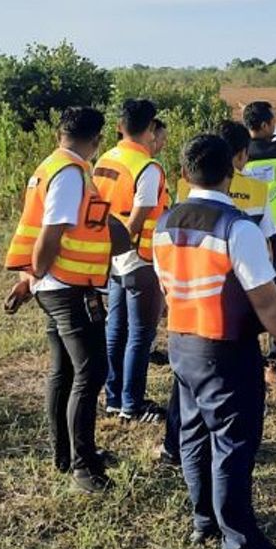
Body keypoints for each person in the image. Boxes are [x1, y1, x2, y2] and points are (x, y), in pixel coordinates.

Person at [153, 133, 276, 549]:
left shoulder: (165, 223)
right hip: (226, 347)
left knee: (193, 434)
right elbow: (266, 298)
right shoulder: (237, 228)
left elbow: (164, 286)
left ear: (184, 174)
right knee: (234, 443)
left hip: (182, 342)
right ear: (231, 172)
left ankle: (205, 522)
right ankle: (239, 541)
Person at [3, 106, 114, 493]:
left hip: (55, 284)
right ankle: (84, 468)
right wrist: (35, 275)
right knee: (91, 371)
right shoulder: (70, 173)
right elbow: (49, 233)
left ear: (59, 133)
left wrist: (29, 281)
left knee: (64, 371)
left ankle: (65, 453)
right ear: (97, 139)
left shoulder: (50, 166)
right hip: (67, 286)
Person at [161, 120, 276, 466]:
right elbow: (268, 248)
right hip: (235, 309)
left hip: (186, 313)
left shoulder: (185, 194)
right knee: (233, 412)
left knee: (187, 397)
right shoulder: (255, 192)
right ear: (237, 158)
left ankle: (174, 447)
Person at [93, 99, 169, 423]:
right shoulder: (146, 167)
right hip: (139, 257)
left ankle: (114, 399)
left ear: (119, 126)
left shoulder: (105, 159)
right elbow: (137, 219)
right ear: (151, 127)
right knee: (140, 334)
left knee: (116, 329)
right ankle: (132, 405)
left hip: (111, 257)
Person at [243, 102, 276, 365]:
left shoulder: (240, 155)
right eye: (272, 120)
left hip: (243, 232)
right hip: (274, 229)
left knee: (246, 289)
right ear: (264, 125)